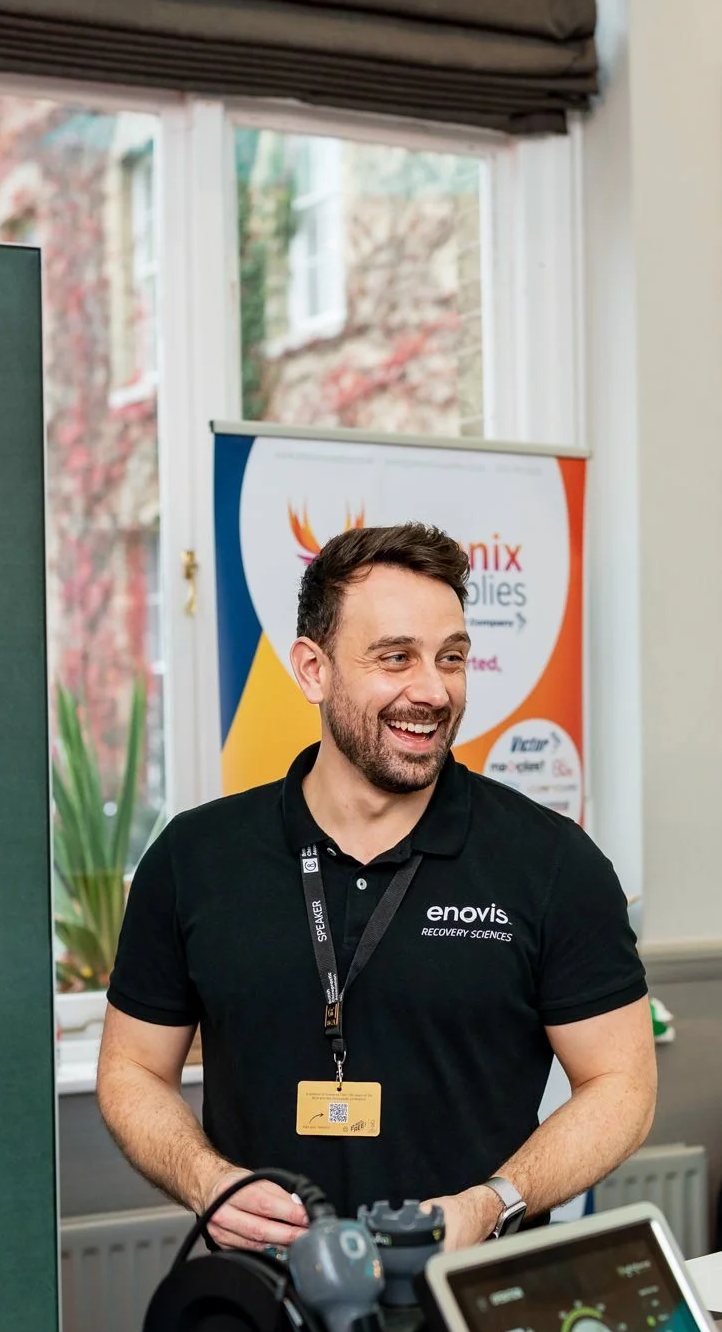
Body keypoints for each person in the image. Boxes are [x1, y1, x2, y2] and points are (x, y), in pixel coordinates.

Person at [98, 522, 653, 1251]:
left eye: (451, 658)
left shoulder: (551, 864)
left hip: (464, 1308)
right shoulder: (195, 857)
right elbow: (132, 1066)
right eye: (396, 658)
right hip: (262, 1306)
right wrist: (209, 1182)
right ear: (312, 668)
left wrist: (493, 1203)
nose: (432, 690)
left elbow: (623, 1083)